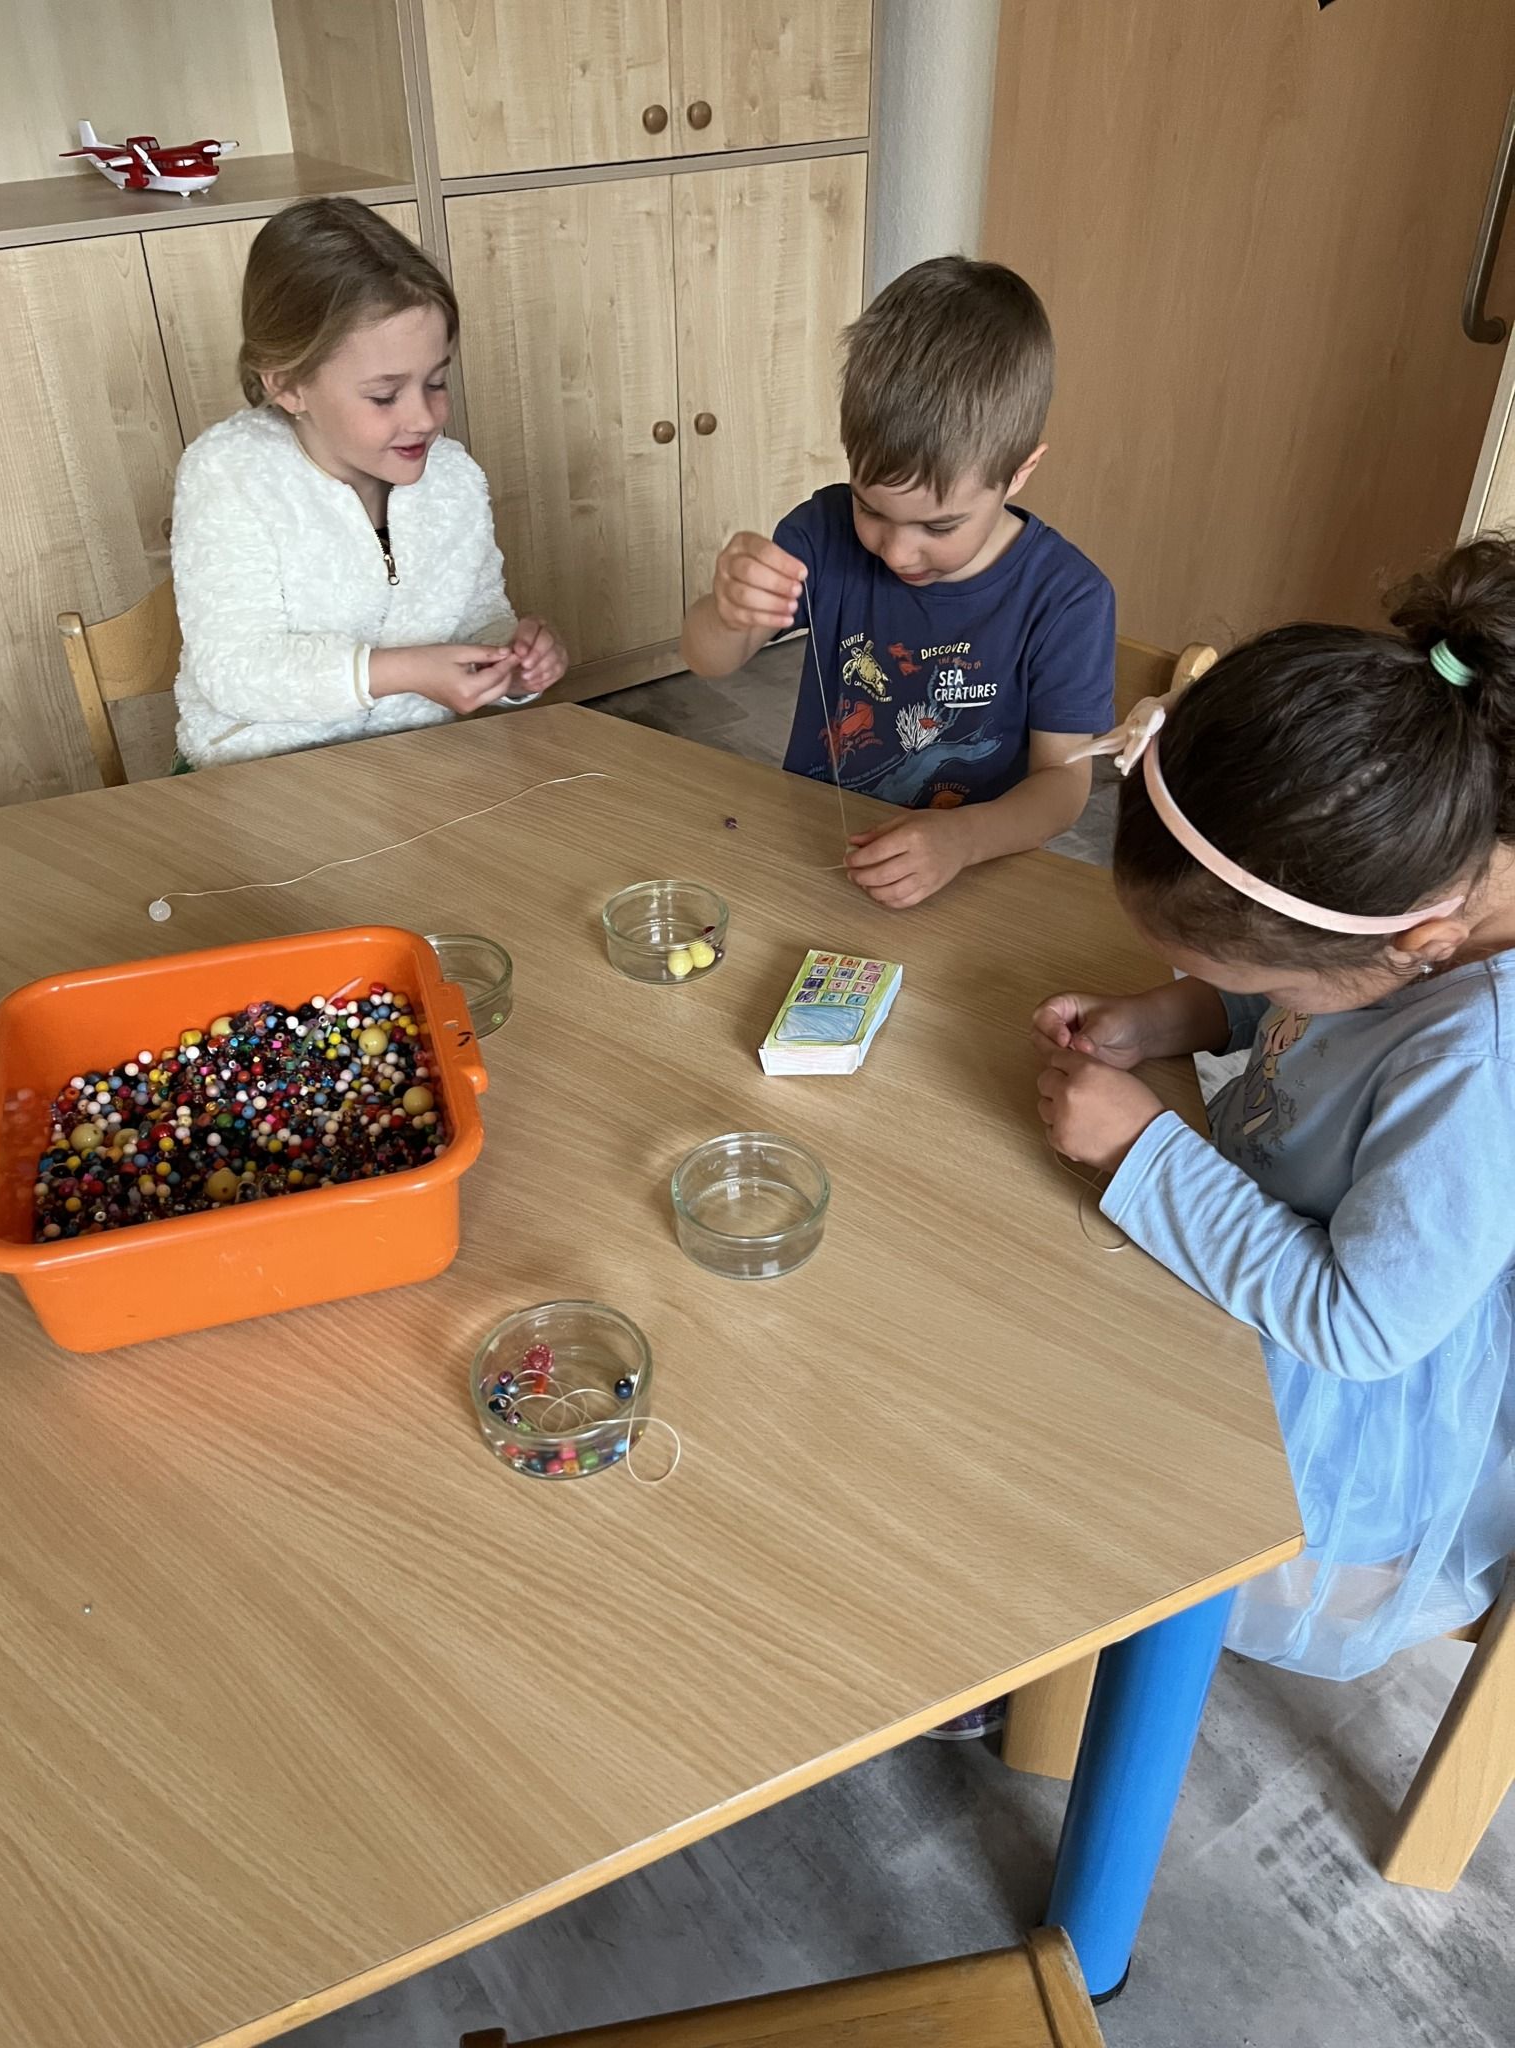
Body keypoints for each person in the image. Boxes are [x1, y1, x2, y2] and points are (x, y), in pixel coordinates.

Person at [1033, 537, 1515, 1680]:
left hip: (1336, 1415)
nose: (1255, 995)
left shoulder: (1479, 1067)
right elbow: (1318, 993)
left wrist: (1143, 1151)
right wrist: (1175, 1015)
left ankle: (1042, 1656)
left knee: (1051, 1446)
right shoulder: (1417, 892)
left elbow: (1361, 1325)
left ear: (1415, 946)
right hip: (1272, 1250)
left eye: (1257, 980)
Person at [678, 257, 1114, 909]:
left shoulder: (1069, 598)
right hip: (822, 847)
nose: (897, 550)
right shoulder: (821, 532)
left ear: (1019, 473)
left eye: (939, 525)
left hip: (971, 874)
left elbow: (1063, 788)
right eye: (871, 509)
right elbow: (707, 659)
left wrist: (962, 840)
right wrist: (726, 610)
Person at [171, 197, 566, 770]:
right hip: (259, 778)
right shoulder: (230, 475)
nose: (425, 418)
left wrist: (512, 658)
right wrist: (405, 670)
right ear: (288, 385)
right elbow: (235, 670)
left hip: (411, 765)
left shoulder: (453, 481)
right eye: (384, 396)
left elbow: (477, 612)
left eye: (436, 382)